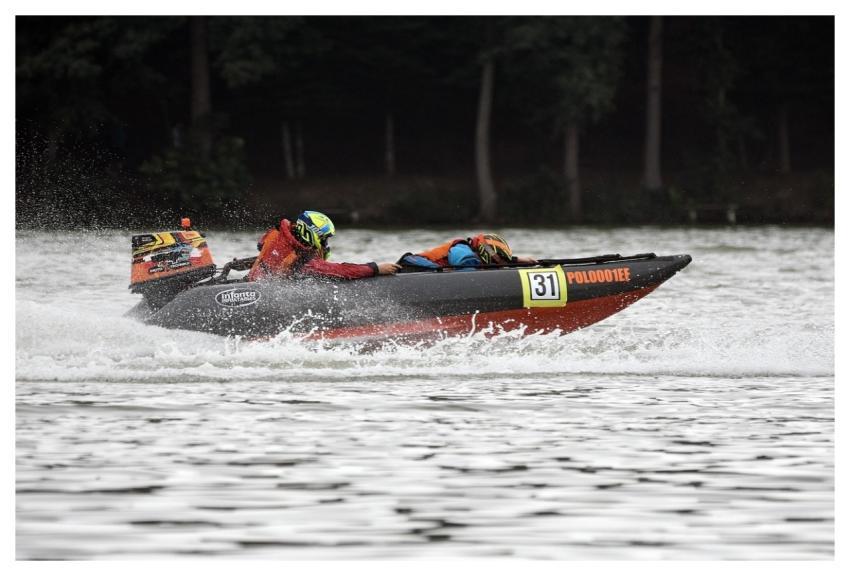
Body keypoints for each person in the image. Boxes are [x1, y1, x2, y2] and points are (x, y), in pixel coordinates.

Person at [247, 211, 400, 281]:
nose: (325, 244)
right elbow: (338, 270)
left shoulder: (276, 234)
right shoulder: (303, 259)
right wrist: (375, 268)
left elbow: (263, 253)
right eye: (324, 238)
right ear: (311, 233)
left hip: (253, 282)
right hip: (265, 294)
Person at [399, 233, 537, 270]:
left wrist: (515, 260)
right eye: (500, 259)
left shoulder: (474, 253)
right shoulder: (463, 252)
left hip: (417, 266)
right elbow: (469, 275)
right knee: (439, 271)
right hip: (411, 266)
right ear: (486, 252)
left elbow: (492, 261)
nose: (501, 263)